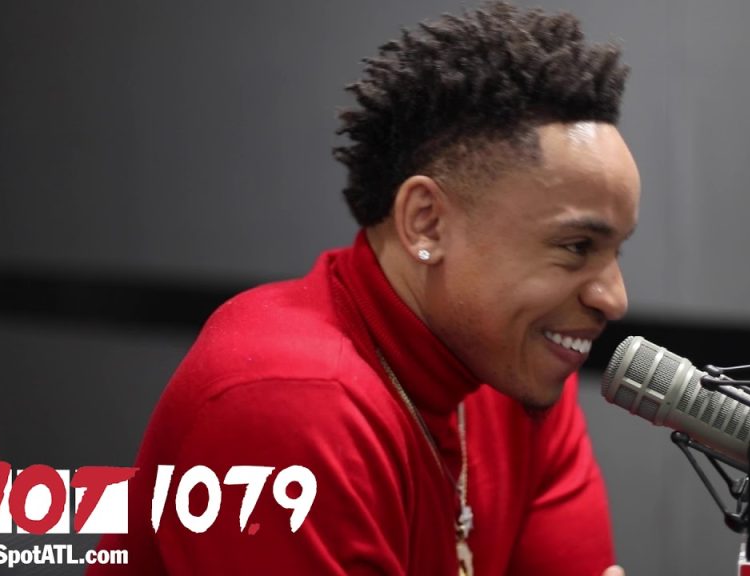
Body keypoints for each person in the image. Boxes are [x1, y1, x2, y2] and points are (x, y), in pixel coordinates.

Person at [91, 2, 640, 574]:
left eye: (616, 251)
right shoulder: (287, 403)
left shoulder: (512, 364)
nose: (614, 298)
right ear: (427, 222)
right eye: (577, 246)